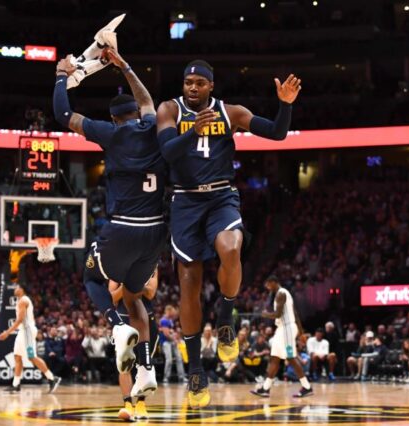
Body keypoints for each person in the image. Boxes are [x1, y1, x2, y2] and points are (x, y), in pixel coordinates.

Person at [156, 59, 301, 408]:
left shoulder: (230, 112)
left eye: (199, 83)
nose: (192, 87)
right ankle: (195, 369)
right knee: (189, 282)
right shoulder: (168, 109)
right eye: (187, 82)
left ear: (211, 86)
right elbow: (166, 151)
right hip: (184, 201)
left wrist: (285, 105)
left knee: (232, 248)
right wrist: (193, 130)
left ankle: (225, 318)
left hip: (221, 196)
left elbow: (277, 133)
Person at [53, 47, 165, 398]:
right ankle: (146, 370)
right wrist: (125, 66)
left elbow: (63, 114)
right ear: (136, 114)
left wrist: (61, 76)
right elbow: (147, 99)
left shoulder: (111, 133)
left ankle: (116, 328)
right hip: (157, 231)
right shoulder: (153, 126)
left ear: (116, 119)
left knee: (90, 275)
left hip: (124, 227)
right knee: (136, 300)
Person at [109, 269, 160, 421]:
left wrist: (134, 283)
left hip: (146, 322)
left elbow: (151, 293)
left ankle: (141, 404)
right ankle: (128, 405)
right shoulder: (116, 266)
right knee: (125, 365)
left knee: (144, 364)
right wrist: (130, 284)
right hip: (123, 320)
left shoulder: (152, 266)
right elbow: (112, 297)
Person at [251, 276, 312, 398]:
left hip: (287, 328)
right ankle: (265, 388)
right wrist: (300, 332)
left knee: (290, 357)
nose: (267, 288)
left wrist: (265, 314)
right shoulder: (284, 294)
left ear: (274, 282)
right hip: (282, 329)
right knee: (274, 358)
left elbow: (278, 314)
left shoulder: (281, 294)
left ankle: (306, 387)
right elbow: (294, 313)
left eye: (268, 285)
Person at [0, 282, 61, 393]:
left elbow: (20, 320)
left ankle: (52, 378)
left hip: (27, 331)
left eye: (17, 287)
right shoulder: (21, 300)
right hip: (23, 331)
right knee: (17, 357)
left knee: (31, 357)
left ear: (22, 289)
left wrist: (7, 332)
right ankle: (16, 385)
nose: (15, 289)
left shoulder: (23, 300)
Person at [159, 305, 185, 385]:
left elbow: (171, 331)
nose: (174, 314)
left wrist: (176, 337)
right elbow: (166, 334)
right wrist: (175, 340)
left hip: (172, 342)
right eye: (173, 312)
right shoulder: (163, 320)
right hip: (165, 342)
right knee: (169, 359)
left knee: (179, 358)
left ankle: (182, 377)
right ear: (169, 311)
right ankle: (166, 378)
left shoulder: (170, 320)